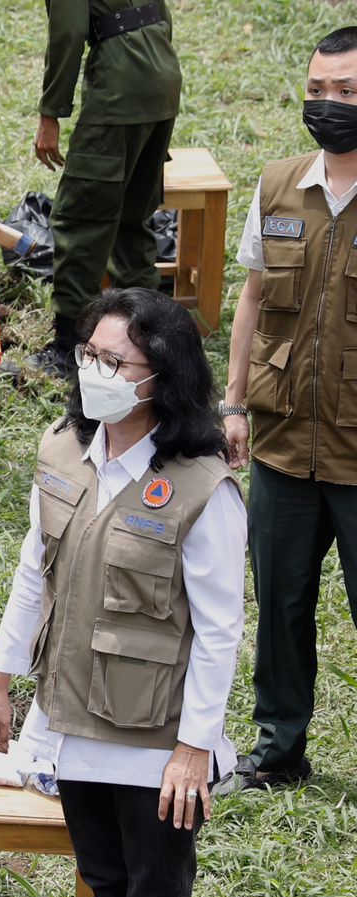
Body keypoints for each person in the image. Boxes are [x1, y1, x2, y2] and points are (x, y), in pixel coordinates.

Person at [0, 288, 244, 897]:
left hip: (156, 739)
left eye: (114, 360)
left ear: (161, 375)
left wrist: (194, 750)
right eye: (89, 355)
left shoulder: (201, 488)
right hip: (72, 719)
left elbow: (221, 630)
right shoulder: (64, 450)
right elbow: (35, 575)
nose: (96, 371)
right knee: (105, 888)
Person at [217, 26, 357, 796]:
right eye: (318, 90)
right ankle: (279, 750)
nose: (327, 104)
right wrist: (233, 402)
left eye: (345, 92)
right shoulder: (278, 186)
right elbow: (252, 296)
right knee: (280, 605)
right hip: (278, 442)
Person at [31, 0, 181, 374]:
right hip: (162, 80)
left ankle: (70, 348)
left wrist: (51, 112)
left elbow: (67, 32)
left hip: (120, 90)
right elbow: (162, 12)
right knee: (135, 217)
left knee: (80, 220)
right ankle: (150, 335)